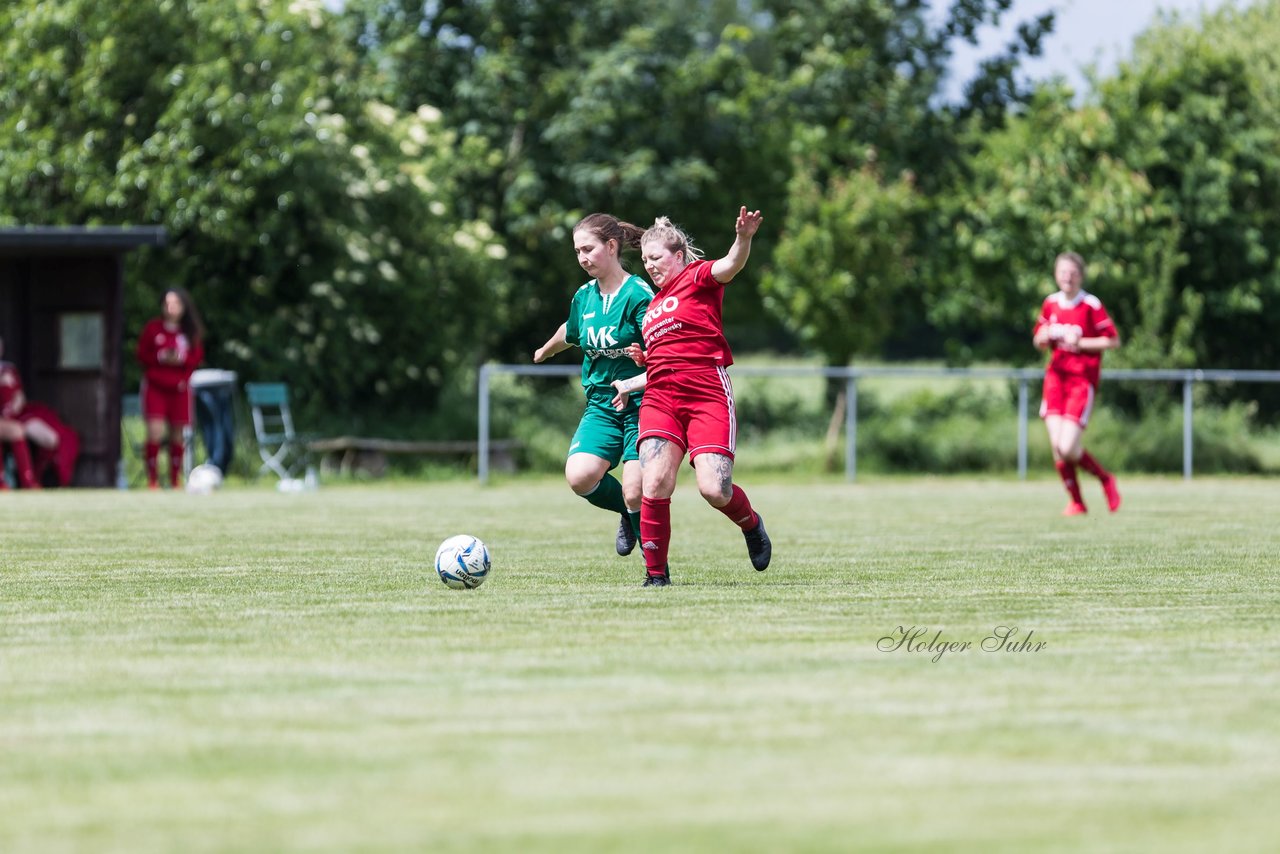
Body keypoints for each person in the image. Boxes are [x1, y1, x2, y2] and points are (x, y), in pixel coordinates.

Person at [616, 207, 771, 587]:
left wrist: (744, 238)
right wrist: (640, 368)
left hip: (706, 393)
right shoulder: (652, 308)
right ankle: (656, 576)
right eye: (645, 260)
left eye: (657, 258)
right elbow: (664, 364)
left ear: (678, 256)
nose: (650, 266)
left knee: (714, 489)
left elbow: (731, 265)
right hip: (660, 399)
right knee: (654, 482)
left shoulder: (697, 277)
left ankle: (751, 524)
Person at [533, 213, 653, 556]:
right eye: (577, 251)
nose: (582, 258)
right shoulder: (584, 296)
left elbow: (660, 348)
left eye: (588, 249)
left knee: (636, 491)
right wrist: (546, 349)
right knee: (580, 477)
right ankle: (628, 515)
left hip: (641, 403)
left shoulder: (638, 294)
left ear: (611, 246)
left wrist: (641, 361)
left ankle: (656, 570)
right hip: (601, 404)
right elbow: (570, 331)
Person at [1032, 252, 1122, 516]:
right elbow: (1038, 340)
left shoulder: (1090, 305)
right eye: (1062, 272)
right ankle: (1077, 502)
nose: (1067, 277)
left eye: (1072, 272)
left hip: (1081, 382)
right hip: (1055, 380)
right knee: (1057, 448)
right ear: (1055, 274)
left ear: (1080, 275)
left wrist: (1080, 343)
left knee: (1068, 446)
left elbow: (1112, 341)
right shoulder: (1050, 303)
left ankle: (1105, 479)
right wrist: (1043, 336)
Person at [136, 287, 205, 489]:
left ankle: (175, 480)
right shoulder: (153, 329)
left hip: (180, 388)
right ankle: (153, 481)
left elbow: (196, 358)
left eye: (175, 303)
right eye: (167, 303)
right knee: (155, 432)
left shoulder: (189, 332)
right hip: (155, 387)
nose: (171, 308)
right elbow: (141, 355)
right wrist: (161, 357)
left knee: (177, 434)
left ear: (184, 306)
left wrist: (180, 358)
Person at [0, 335, 78, 489]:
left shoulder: (8, 368)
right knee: (16, 430)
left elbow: (19, 397)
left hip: (13, 417)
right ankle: (25, 482)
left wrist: (15, 405)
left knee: (49, 436)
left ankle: (32, 480)